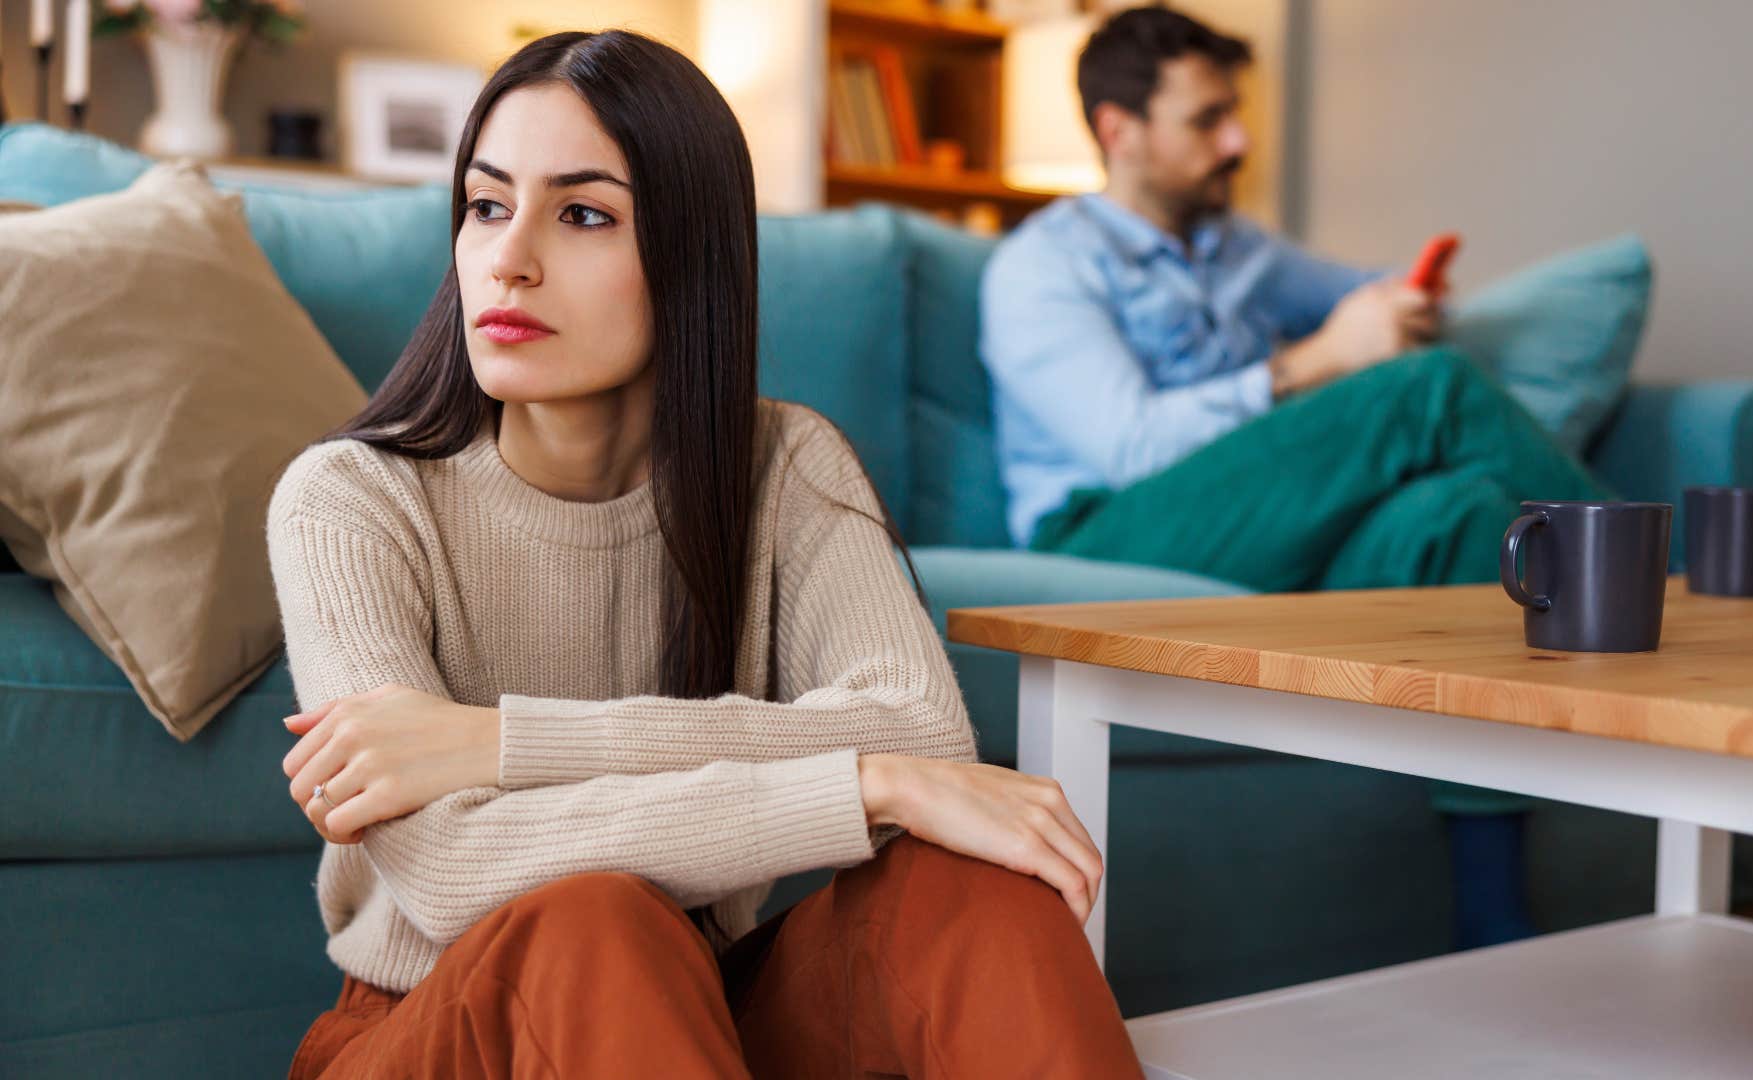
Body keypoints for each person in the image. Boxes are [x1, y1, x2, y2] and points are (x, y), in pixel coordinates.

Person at [269, 29, 1143, 1079]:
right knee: (597, 920)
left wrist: (496, 746)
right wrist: (864, 784)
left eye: (583, 213)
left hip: (691, 1018)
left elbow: (922, 732)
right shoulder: (348, 498)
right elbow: (458, 869)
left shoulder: (788, 464)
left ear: (692, 257)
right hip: (435, 1032)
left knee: (968, 885)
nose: (508, 258)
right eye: (487, 205)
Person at [978, 6, 1617, 950]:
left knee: (1459, 513)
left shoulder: (1240, 251)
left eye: (1235, 112)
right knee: (1426, 393)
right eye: (1206, 120)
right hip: (1109, 530)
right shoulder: (1041, 267)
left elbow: (1361, 290)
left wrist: (1405, 296)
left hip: (1263, 528)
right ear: (1120, 132)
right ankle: (1673, 590)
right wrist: (1316, 361)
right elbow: (1132, 447)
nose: (1237, 140)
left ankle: (1493, 918)